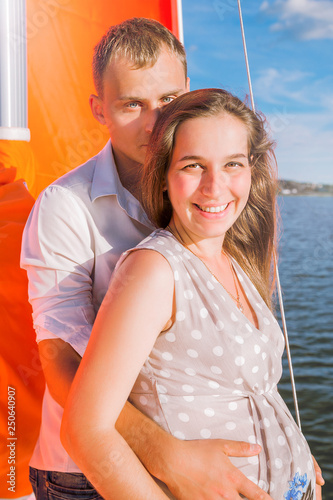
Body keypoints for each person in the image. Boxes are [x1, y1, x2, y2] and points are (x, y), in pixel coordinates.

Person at [20, 17, 286, 500]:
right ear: (98, 109)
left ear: (188, 92)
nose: (154, 121)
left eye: (167, 101)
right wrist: (167, 454)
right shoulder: (66, 206)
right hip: (88, 475)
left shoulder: (211, 199)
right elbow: (60, 355)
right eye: (131, 105)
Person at [61, 88, 323, 500]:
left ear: (251, 171)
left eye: (232, 164)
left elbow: (253, 390)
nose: (215, 187)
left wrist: (294, 450)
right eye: (193, 166)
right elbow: (84, 432)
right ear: (165, 178)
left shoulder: (232, 260)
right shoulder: (155, 269)